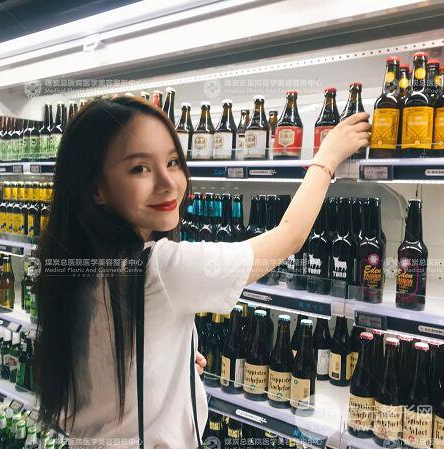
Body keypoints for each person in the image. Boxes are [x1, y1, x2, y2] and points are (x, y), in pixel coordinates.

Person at [34, 96, 370, 448]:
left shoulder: (72, 257)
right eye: (139, 168)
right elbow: (290, 236)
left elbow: (103, 361)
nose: (168, 183)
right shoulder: (162, 268)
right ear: (96, 188)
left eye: (172, 161)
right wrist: (326, 159)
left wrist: (168, 361)